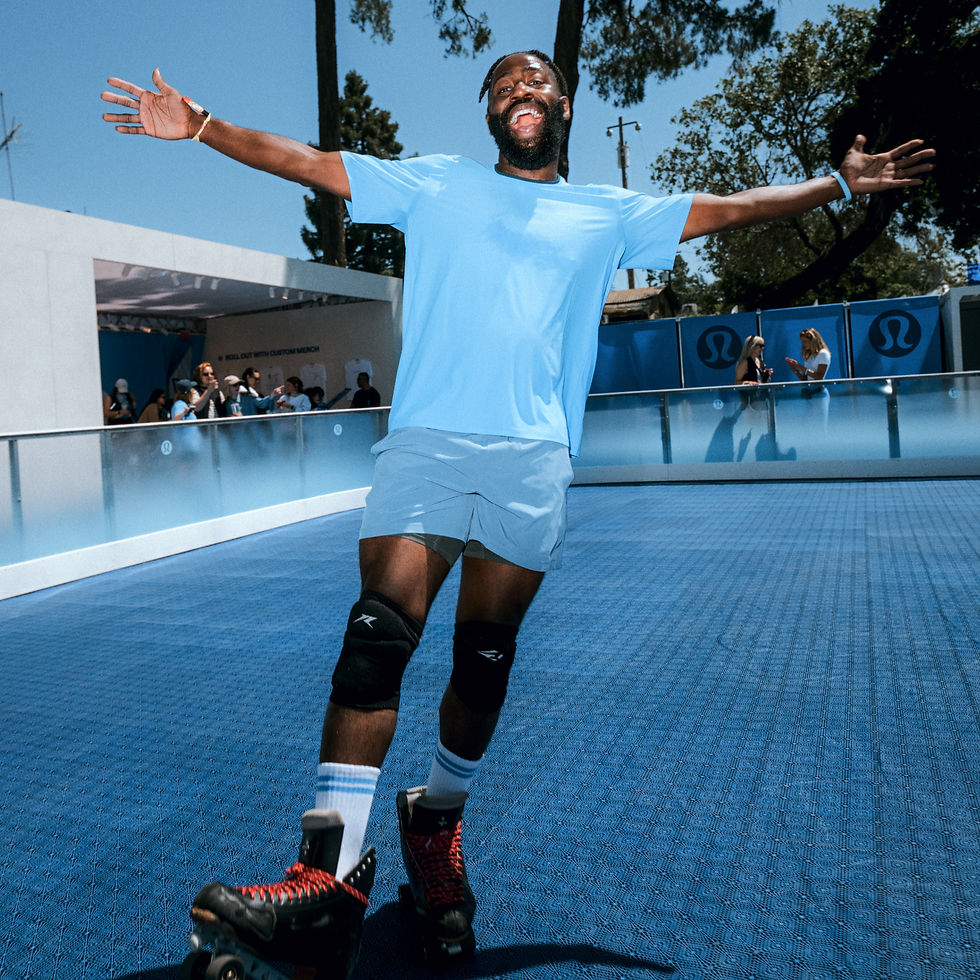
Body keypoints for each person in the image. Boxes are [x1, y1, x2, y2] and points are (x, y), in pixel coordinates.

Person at [102, 53, 934, 975]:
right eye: (501, 86)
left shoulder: (608, 213)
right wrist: (204, 124)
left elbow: (732, 208)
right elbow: (306, 160)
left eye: (534, 81)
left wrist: (835, 185)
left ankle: (435, 826)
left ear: (562, 102)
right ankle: (325, 881)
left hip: (535, 463)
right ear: (490, 112)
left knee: (485, 665)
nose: (519, 92)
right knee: (378, 635)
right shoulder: (436, 186)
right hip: (428, 448)